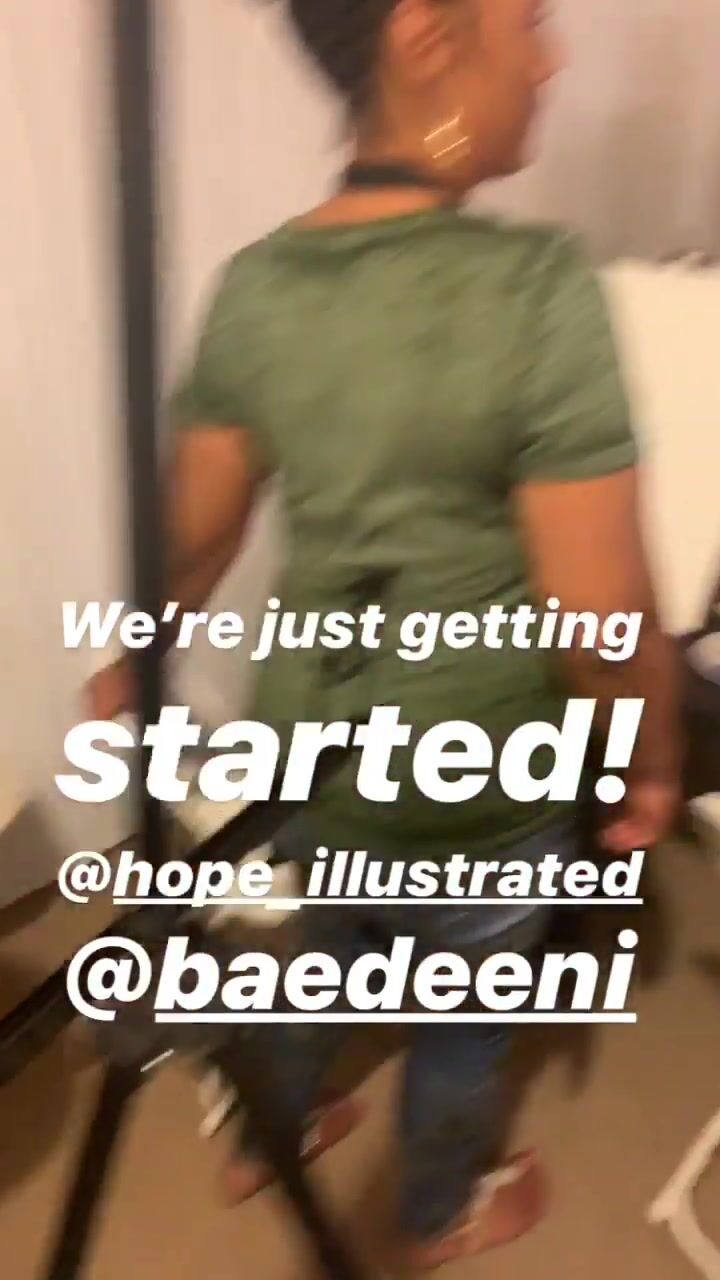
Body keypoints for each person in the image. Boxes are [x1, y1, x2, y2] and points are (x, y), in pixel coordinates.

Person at [88, 0, 681, 1267]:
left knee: (323, 950)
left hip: (308, 755)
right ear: (426, 36)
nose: (552, 59)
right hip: (478, 791)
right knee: (467, 1013)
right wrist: (650, 757)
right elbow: (602, 615)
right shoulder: (535, 287)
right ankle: (436, 1205)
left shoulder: (259, 286)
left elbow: (188, 538)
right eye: (529, 21)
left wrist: (134, 652)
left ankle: (267, 1135)